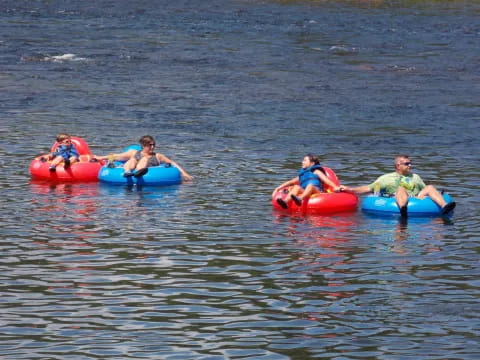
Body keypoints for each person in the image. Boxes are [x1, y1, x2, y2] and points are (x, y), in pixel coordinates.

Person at [341, 154, 456, 217]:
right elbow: (368, 188)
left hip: (415, 198)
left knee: (430, 187)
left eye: (410, 163)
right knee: (401, 188)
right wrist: (350, 189)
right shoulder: (386, 178)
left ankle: (445, 206)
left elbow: (425, 190)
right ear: (398, 165)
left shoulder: (415, 177)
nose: (410, 165)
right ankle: (403, 208)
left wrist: (423, 197)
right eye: (406, 163)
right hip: (397, 198)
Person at [94, 135, 193, 181]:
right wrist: (100, 158)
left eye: (154, 145)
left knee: (144, 159)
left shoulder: (158, 156)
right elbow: (117, 156)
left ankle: (138, 172)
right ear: (143, 145)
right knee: (132, 159)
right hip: (131, 167)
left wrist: (184, 174)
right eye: (150, 145)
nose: (152, 147)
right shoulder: (134, 152)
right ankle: (127, 172)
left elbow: (172, 163)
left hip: (145, 170)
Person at [272, 154, 342, 209]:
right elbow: (290, 182)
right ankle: (285, 202)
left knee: (310, 185)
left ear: (312, 163)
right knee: (296, 187)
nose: (302, 162)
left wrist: (335, 187)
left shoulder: (316, 171)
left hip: (317, 191)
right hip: (305, 191)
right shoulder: (303, 174)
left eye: (305, 160)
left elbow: (327, 181)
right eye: (303, 160)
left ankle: (300, 199)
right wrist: (278, 188)